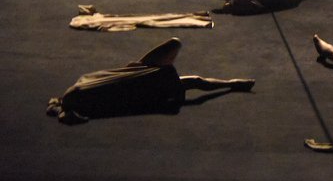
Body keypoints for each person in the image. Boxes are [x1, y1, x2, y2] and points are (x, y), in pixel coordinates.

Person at [46, 37, 254, 124]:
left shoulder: (77, 93)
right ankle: (233, 84)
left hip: (140, 78)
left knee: (192, 79)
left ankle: (233, 84)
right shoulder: (77, 94)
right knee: (192, 80)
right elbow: (62, 113)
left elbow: (61, 112)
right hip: (141, 82)